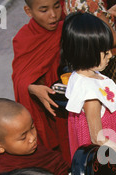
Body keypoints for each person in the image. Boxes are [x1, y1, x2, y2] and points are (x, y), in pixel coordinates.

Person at [61, 12, 116, 168]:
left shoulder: (81, 75)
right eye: (105, 52)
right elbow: (98, 139)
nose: (110, 56)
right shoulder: (91, 96)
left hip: (109, 138)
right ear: (86, 53)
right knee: (107, 173)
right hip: (102, 152)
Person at [12, 0, 71, 165]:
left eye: (57, 6)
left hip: (64, 97)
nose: (53, 15)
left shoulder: (65, 28)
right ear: (28, 11)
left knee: (69, 139)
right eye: (44, 10)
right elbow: (19, 78)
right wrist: (32, 88)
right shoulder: (23, 38)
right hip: (39, 102)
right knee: (47, 145)